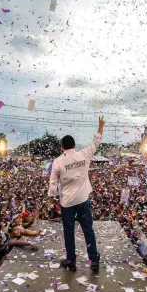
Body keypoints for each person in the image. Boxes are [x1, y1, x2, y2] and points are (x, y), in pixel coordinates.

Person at [48, 116, 105, 273]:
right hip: (83, 200)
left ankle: (71, 262)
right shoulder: (83, 155)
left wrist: (51, 199)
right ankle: (94, 261)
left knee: (69, 232)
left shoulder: (58, 161)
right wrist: (100, 127)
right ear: (74, 145)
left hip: (67, 203)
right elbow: (96, 143)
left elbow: (53, 183)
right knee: (88, 230)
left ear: (62, 147)